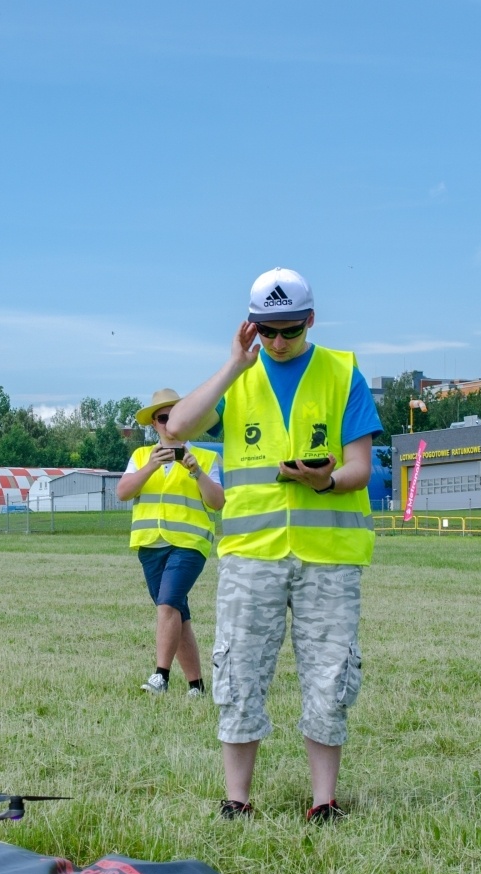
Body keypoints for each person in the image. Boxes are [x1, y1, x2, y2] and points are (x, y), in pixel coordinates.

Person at [168, 268, 381, 822]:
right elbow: (178, 427)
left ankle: (323, 801)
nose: (278, 343)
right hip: (251, 557)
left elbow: (361, 468)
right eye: (267, 332)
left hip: (328, 557)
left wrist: (326, 481)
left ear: (310, 320)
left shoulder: (343, 373)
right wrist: (234, 365)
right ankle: (237, 799)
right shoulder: (239, 375)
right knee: (239, 672)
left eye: (289, 330)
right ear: (250, 327)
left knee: (330, 673)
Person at [116, 389, 225, 696]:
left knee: (167, 604)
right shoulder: (140, 457)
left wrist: (196, 472)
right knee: (177, 612)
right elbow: (123, 492)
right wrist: (151, 466)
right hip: (150, 544)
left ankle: (160, 676)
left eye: (178, 416)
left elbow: (217, 502)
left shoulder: (205, 457)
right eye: (164, 418)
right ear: (154, 423)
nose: (170, 424)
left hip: (190, 544)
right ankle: (197, 686)